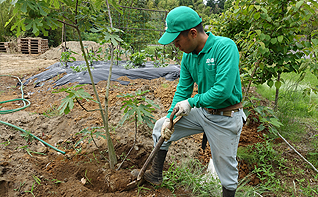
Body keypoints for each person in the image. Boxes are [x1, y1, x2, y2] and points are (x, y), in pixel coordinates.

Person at [135, 6, 246, 197]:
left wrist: (192, 102)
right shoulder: (188, 57)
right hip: (203, 113)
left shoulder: (225, 47)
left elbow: (223, 91)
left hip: (226, 116)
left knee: (226, 169)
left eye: (177, 40)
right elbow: (182, 90)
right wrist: (170, 118)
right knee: (160, 126)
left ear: (193, 33)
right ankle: (155, 174)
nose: (175, 46)